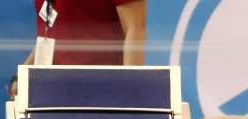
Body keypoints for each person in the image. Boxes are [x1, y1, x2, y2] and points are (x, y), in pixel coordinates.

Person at [9, 0, 146, 99]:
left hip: (101, 88)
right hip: (56, 91)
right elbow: (48, 38)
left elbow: (136, 27)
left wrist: (129, 90)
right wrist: (22, 74)